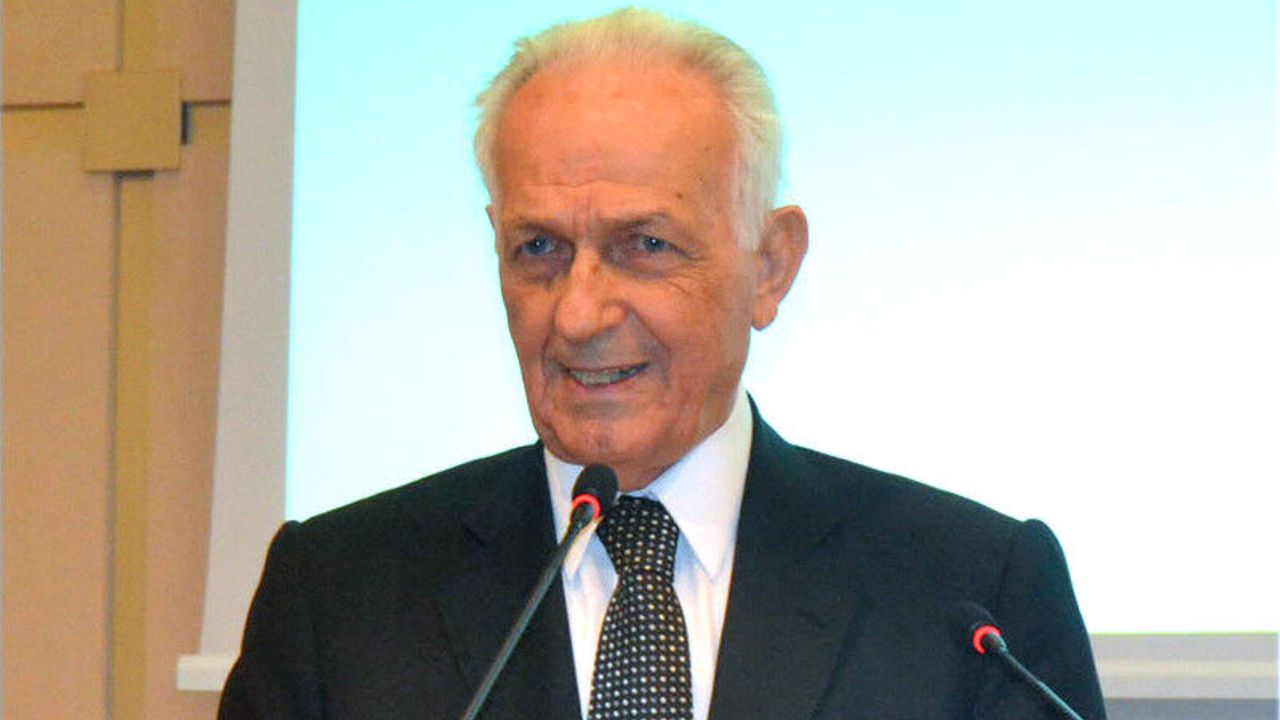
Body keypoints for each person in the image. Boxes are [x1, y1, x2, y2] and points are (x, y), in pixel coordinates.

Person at [219, 9, 1106, 719]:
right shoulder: (335, 598)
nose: (579, 314)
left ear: (770, 266)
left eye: (645, 245)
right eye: (538, 248)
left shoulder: (971, 596)